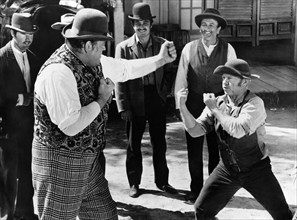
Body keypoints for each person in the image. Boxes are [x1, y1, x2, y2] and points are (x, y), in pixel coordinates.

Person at [33, 8, 176, 219]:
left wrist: (161, 60)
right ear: (88, 45)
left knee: (105, 215)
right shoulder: (58, 72)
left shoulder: (93, 59)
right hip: (59, 164)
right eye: (101, 47)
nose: (103, 52)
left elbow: (126, 69)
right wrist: (101, 100)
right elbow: (70, 125)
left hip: (89, 162)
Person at [176, 59, 293, 220]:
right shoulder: (218, 102)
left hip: (256, 170)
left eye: (230, 79)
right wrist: (182, 106)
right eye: (223, 78)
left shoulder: (254, 104)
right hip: (227, 170)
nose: (225, 82)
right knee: (202, 210)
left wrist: (215, 109)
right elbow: (195, 131)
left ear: (245, 82)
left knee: (282, 215)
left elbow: (237, 130)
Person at [114, 2, 177, 198]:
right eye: (137, 23)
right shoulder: (123, 48)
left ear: (151, 24)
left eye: (145, 23)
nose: (141, 27)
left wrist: (163, 92)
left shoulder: (162, 44)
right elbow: (119, 77)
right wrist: (123, 106)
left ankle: (163, 182)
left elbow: (169, 71)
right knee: (134, 144)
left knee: (160, 143)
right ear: (132, 25)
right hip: (134, 100)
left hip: (155, 98)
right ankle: (134, 183)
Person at [174, 8, 237, 204]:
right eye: (203, 25)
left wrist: (230, 107)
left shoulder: (228, 50)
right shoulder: (189, 48)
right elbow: (181, 78)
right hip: (193, 102)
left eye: (211, 25)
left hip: (218, 103)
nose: (206, 29)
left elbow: (233, 80)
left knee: (216, 149)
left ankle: (213, 192)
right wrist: (180, 104)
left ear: (218, 29)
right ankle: (195, 190)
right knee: (194, 147)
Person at [0, 13, 40, 220]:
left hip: (28, 128)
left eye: (31, 34)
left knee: (27, 172)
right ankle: (8, 216)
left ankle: (26, 213)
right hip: (7, 129)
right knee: (8, 177)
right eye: (23, 34)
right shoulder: (1, 58)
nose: (28, 38)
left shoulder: (33, 57)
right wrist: (21, 98)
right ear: (13, 33)